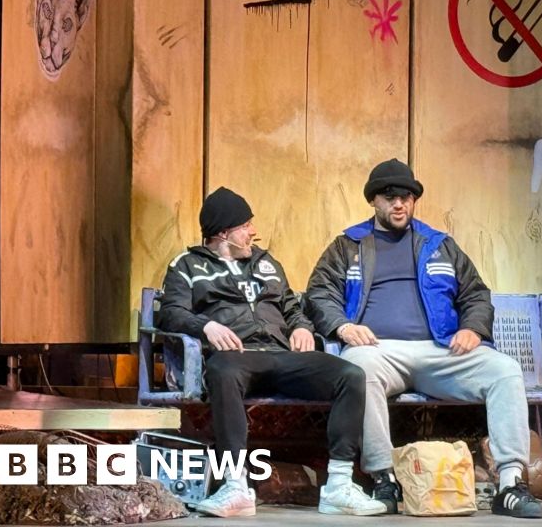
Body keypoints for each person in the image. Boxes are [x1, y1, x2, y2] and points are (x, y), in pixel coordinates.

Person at [305, 159, 542, 519]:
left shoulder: (439, 244)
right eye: (390, 198)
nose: (399, 204)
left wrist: (472, 328)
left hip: (441, 349)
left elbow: (476, 294)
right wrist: (342, 326)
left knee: (505, 370)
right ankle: (383, 478)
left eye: (406, 197)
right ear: (373, 201)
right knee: (358, 372)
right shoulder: (348, 245)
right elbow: (319, 293)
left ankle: (510, 484)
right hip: (379, 351)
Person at [157, 187, 387, 518]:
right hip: (237, 356)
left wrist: (301, 327)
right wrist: (206, 326)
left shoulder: (266, 263)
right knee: (222, 372)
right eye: (245, 225)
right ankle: (235, 485)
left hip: (282, 354)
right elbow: (171, 312)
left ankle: (339, 485)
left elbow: (292, 307)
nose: (253, 232)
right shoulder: (188, 265)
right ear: (223, 233)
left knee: (350, 375)